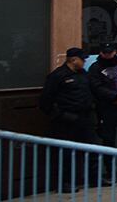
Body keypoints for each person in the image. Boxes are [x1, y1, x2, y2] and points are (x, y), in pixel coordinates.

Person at [40, 47, 96, 191]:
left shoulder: (83, 74)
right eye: (82, 59)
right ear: (73, 59)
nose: (84, 62)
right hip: (66, 120)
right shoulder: (57, 76)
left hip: (84, 117)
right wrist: (60, 115)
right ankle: (64, 183)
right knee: (64, 153)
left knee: (92, 148)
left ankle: (94, 178)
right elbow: (46, 101)